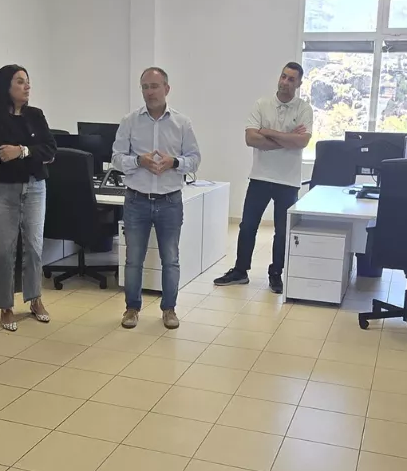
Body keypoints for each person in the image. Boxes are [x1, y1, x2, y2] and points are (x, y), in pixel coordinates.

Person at [113, 67, 202, 329]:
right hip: (136, 200)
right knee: (133, 259)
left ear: (167, 88)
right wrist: (137, 161)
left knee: (170, 259)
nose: (149, 92)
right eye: (145, 87)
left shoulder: (182, 123)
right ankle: (131, 308)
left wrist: (174, 162)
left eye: (154, 86)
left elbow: (195, 159)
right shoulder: (130, 121)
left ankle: (169, 309)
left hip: (170, 201)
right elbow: (116, 158)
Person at [214, 62, 312, 294]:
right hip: (260, 177)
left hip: (288, 181)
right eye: (283, 77)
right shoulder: (262, 104)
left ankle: (276, 273)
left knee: (282, 231)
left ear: (299, 83)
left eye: (291, 79)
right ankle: (240, 271)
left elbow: (302, 142)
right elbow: (250, 139)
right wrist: (286, 139)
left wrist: (267, 132)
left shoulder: (303, 109)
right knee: (248, 226)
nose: (285, 82)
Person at [0, 65, 56, 332]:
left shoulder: (36, 115)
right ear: (6, 86)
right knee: (2, 249)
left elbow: (50, 149)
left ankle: (35, 299)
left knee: (34, 246)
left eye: (28, 82)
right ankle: (5, 305)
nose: (27, 86)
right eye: (20, 82)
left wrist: (22, 150)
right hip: (1, 188)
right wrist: (32, 152)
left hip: (35, 187)